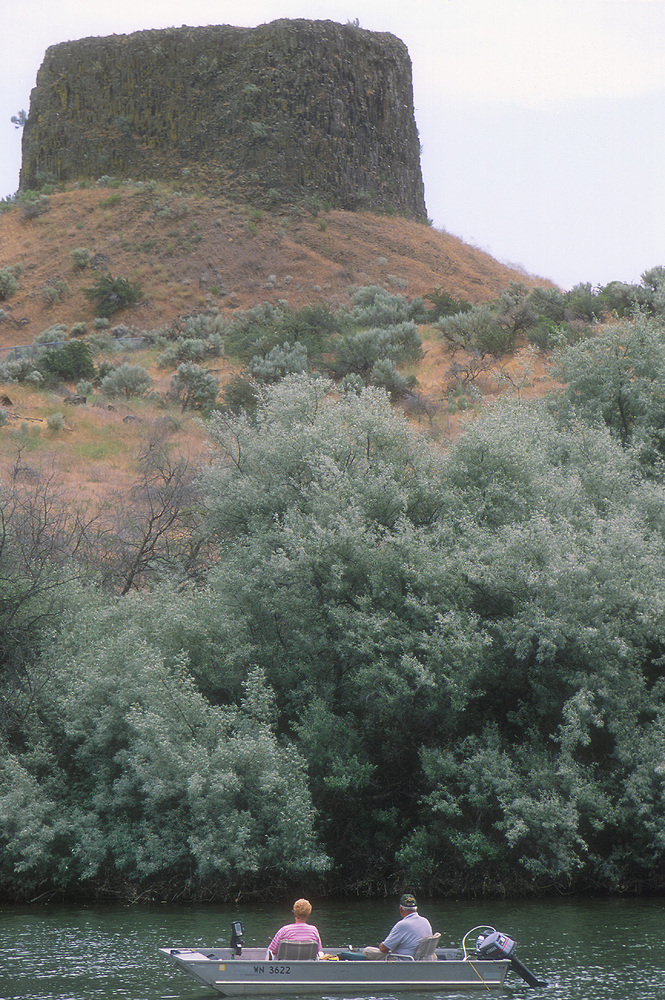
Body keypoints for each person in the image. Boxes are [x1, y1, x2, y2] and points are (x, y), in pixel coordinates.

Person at [364, 893, 433, 960]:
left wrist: (382, 944)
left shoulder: (402, 925)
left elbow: (384, 949)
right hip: (420, 958)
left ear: (400, 909)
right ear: (416, 908)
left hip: (404, 960)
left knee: (367, 951)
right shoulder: (425, 921)